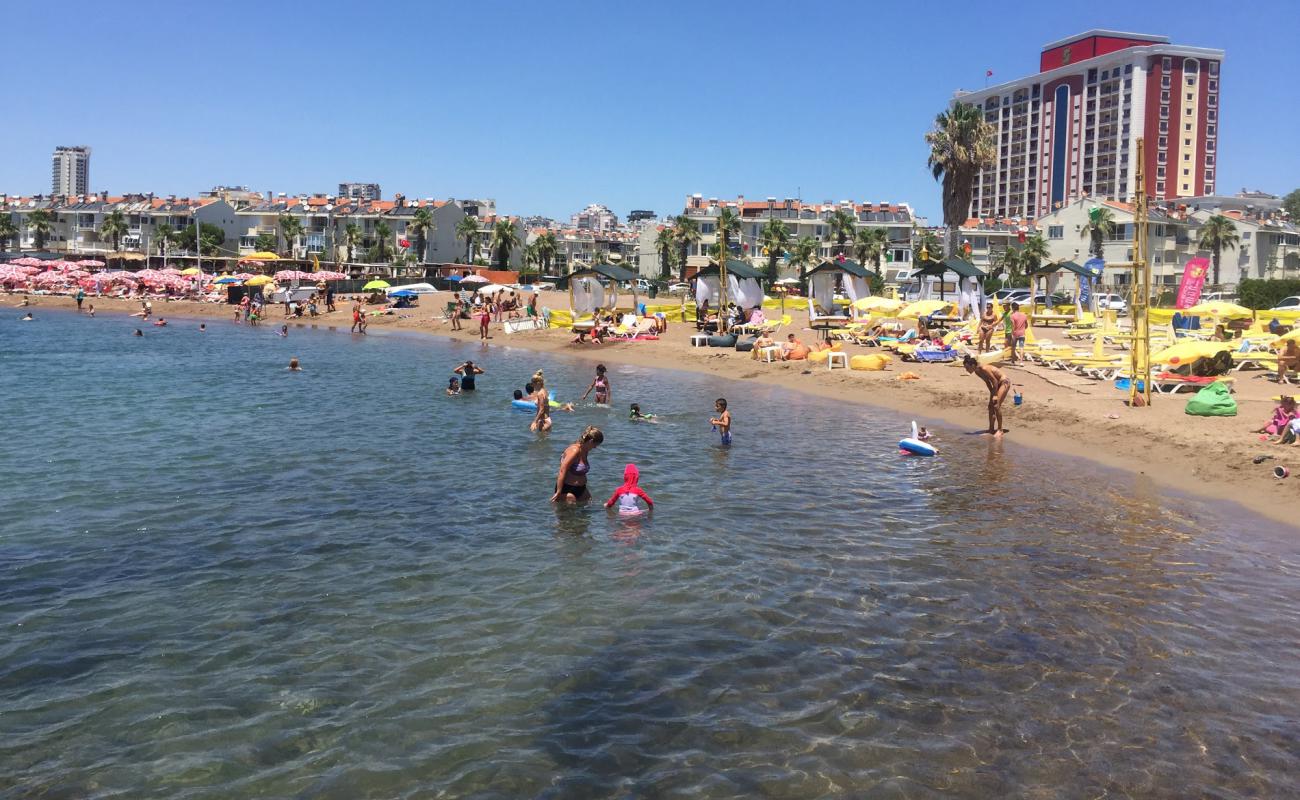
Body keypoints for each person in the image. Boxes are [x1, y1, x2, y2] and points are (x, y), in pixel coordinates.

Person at [552, 426, 603, 503]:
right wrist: (559, 491)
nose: (595, 447)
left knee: (589, 508)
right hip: (567, 489)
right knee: (571, 514)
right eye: (595, 445)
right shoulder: (574, 450)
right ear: (590, 441)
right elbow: (562, 470)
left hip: (581, 489)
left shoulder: (585, 450)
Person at [964, 354, 1010, 436]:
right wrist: (992, 394)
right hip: (996, 385)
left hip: (1004, 382)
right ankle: (991, 429)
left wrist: (995, 395)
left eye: (967, 368)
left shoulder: (984, 368)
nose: (966, 370)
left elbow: (995, 381)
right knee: (990, 406)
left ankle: (1000, 430)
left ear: (973, 365)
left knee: (996, 406)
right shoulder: (977, 372)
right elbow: (988, 383)